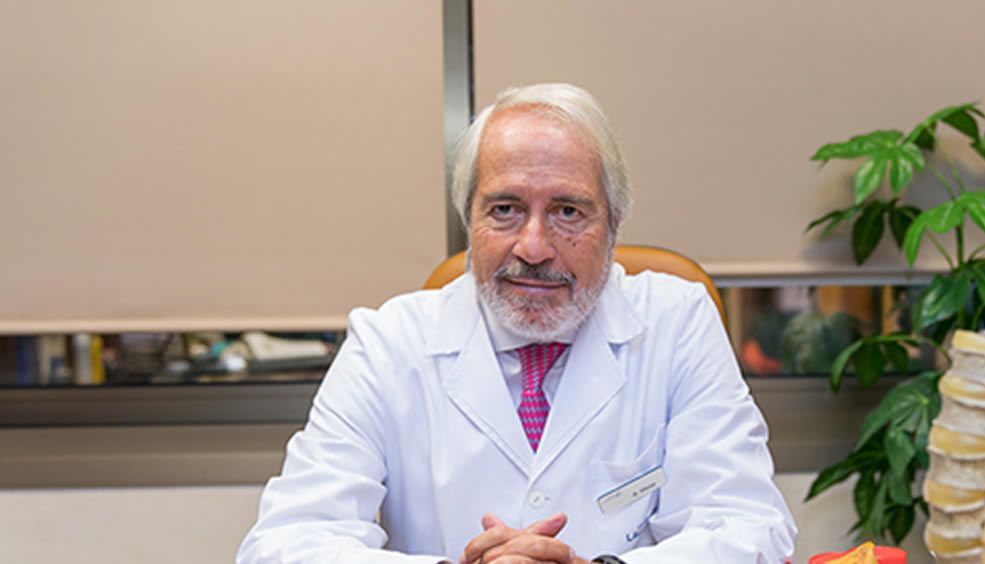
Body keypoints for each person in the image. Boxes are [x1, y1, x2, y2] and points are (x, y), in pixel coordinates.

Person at [237, 83, 796, 563]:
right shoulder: (388, 343)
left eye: (568, 211)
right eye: (505, 209)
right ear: (469, 220)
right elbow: (285, 542)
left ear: (614, 224)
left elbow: (751, 529)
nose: (533, 247)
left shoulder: (677, 322)